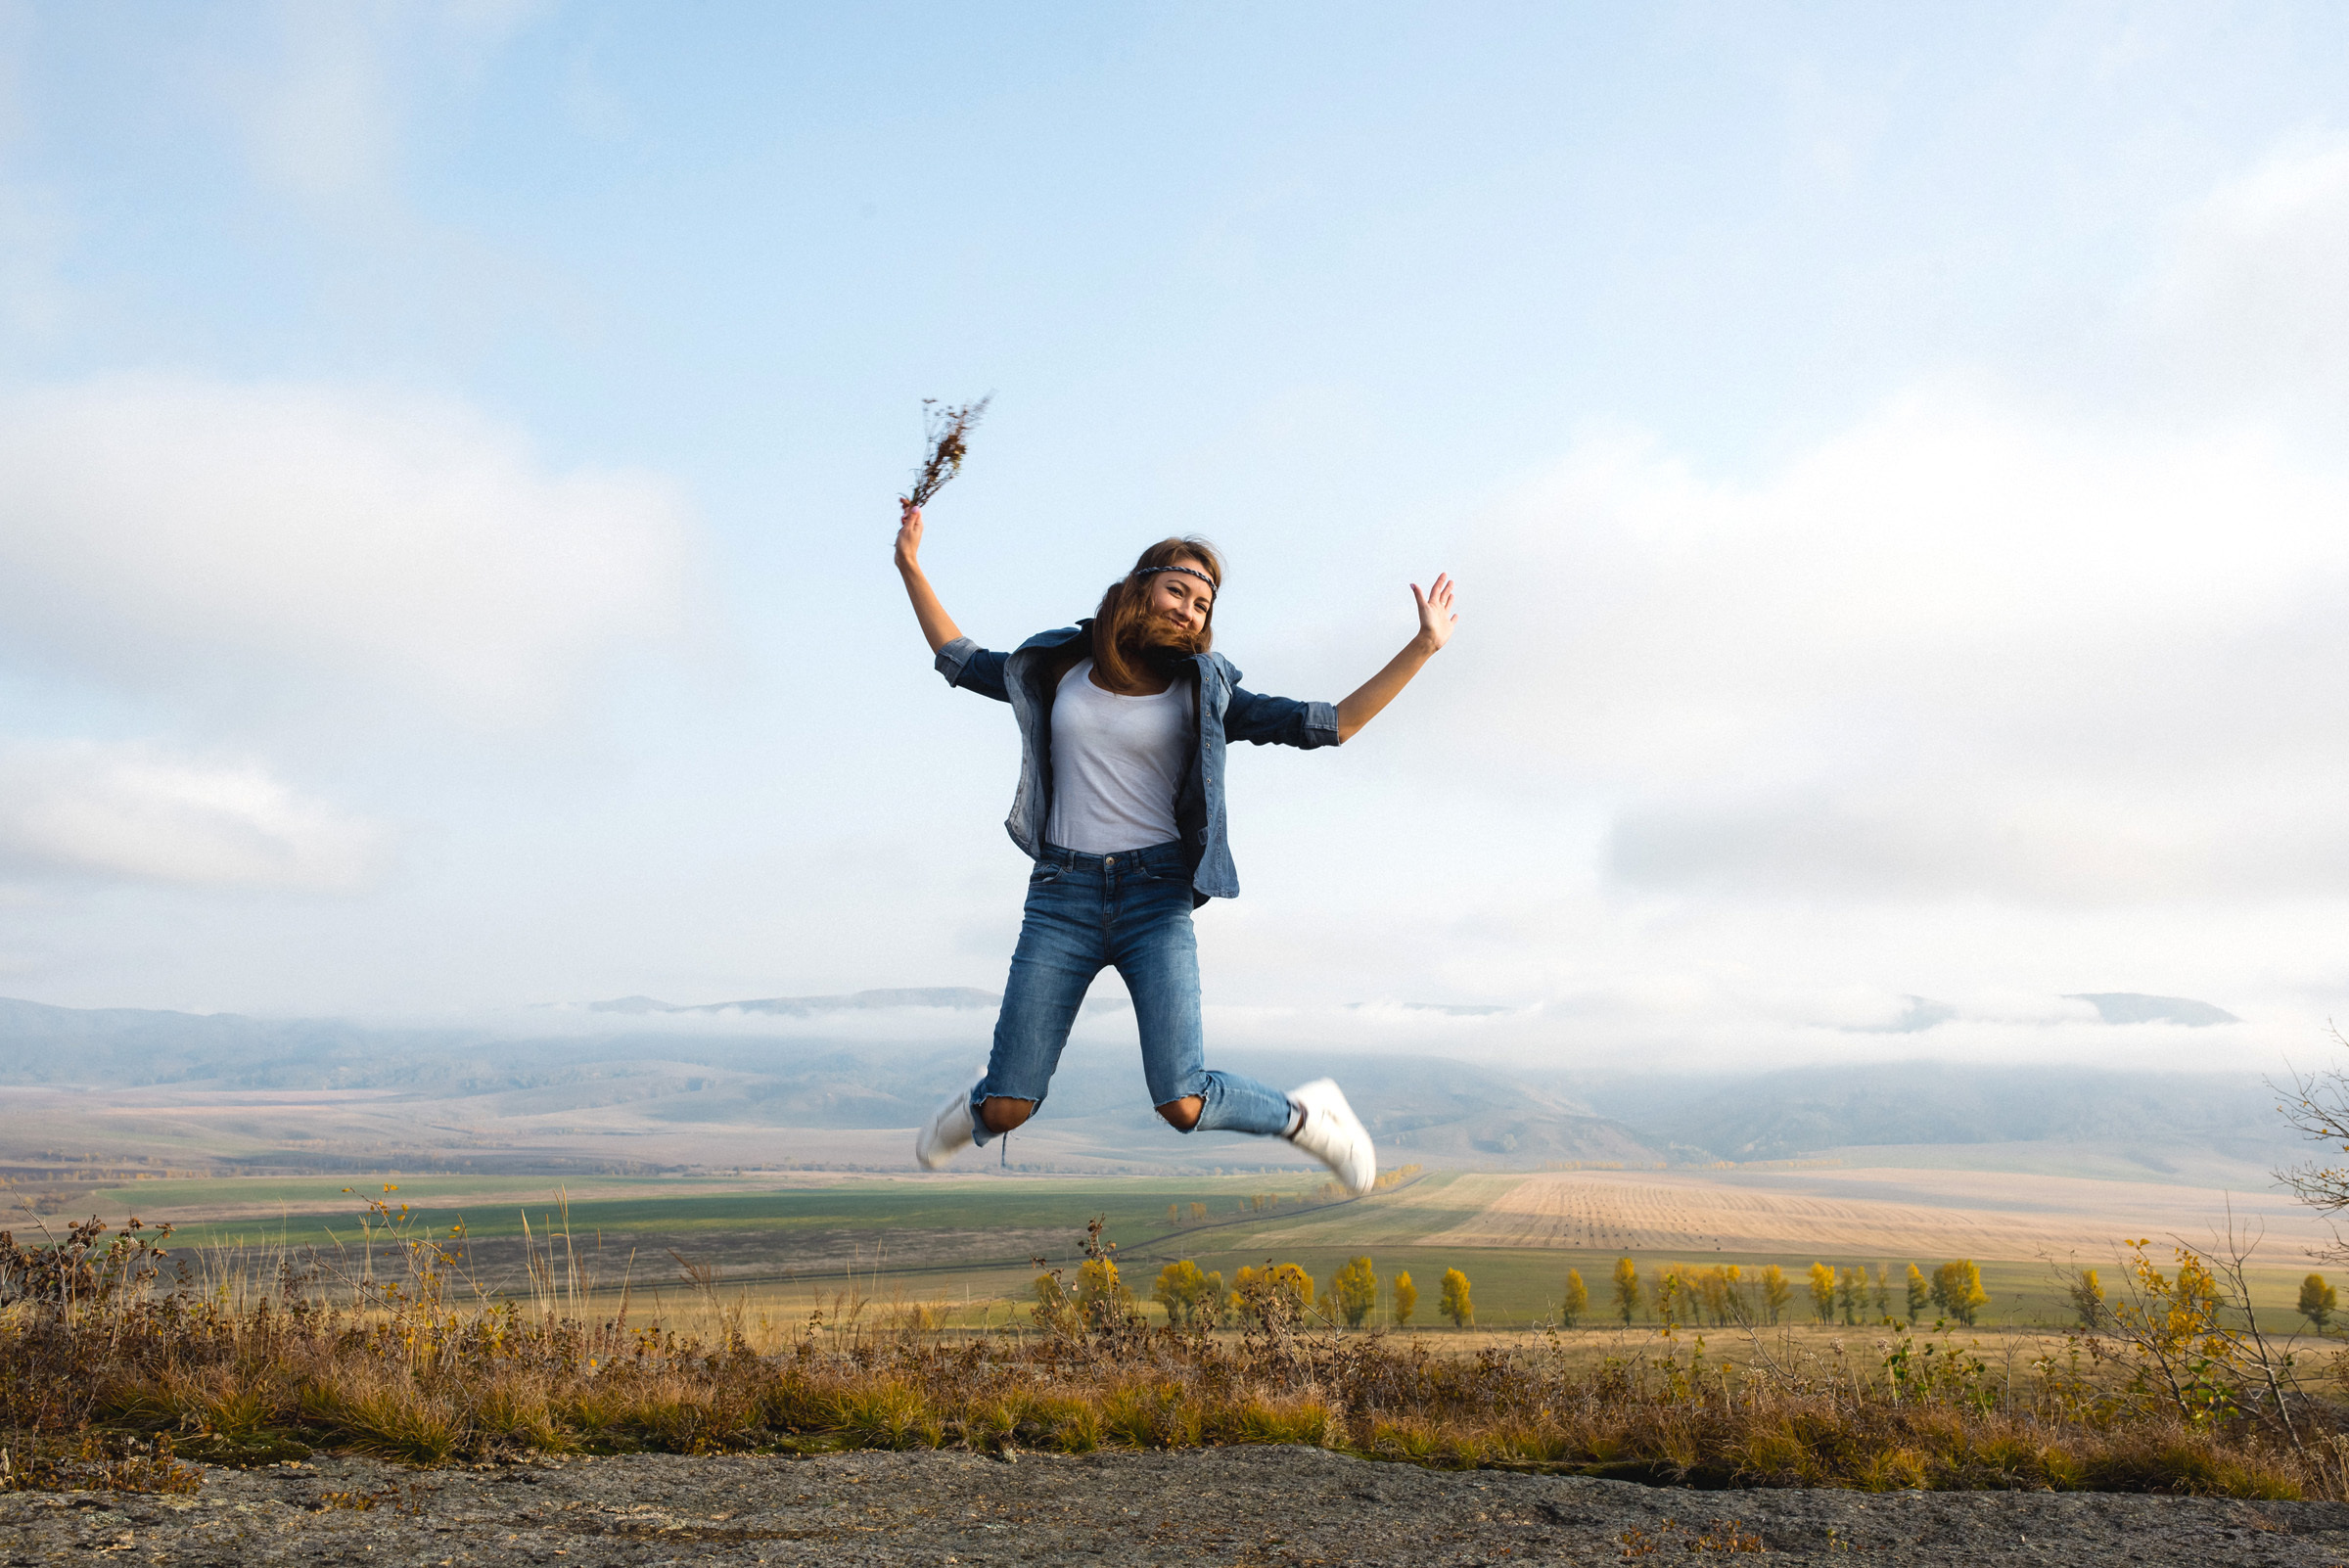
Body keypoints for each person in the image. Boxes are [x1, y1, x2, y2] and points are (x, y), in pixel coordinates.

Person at [895, 499, 1456, 1192]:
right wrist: (909, 564)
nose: (1190, 610)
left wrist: (1423, 647)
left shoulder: (1207, 692)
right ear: (1141, 588)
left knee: (1183, 1101)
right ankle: (980, 1106)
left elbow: (1333, 724)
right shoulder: (1057, 666)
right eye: (1179, 590)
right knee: (1008, 1107)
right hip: (1060, 897)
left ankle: (1309, 1118)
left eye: (1203, 603)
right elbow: (959, 660)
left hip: (1155, 897)